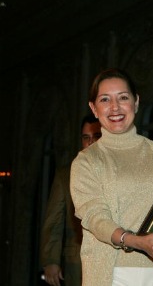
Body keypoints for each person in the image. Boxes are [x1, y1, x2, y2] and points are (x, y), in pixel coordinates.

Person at [70, 68, 153, 286]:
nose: (115, 107)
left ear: (136, 102)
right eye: (105, 99)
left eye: (123, 97)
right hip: (116, 274)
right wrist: (136, 241)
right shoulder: (86, 161)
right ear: (94, 109)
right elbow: (96, 218)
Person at [40, 114, 102, 286]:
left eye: (96, 137)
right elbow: (53, 221)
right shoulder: (65, 174)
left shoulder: (117, 171)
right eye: (85, 138)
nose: (90, 143)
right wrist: (51, 260)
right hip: (77, 259)